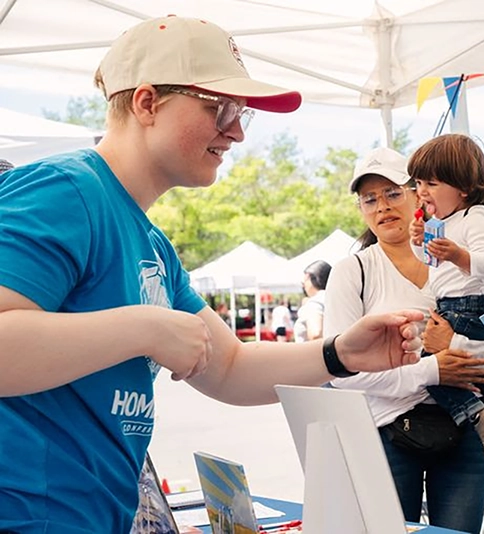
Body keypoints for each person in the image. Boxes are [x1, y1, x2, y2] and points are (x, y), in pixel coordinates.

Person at [0, 16, 424, 533]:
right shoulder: (66, 191)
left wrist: (339, 354)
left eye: (242, 112)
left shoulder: (151, 243)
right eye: (219, 107)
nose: (238, 131)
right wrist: (146, 329)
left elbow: (227, 367)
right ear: (147, 103)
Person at [324, 146, 484, 534]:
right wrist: (432, 369)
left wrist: (457, 346)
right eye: (369, 199)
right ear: (361, 210)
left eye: (393, 192)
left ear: (421, 193)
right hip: (387, 434)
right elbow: (341, 372)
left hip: (467, 430)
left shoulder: (461, 259)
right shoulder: (354, 272)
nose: (382, 206)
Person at [408, 133, 484, 461]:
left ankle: (476, 413)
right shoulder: (439, 222)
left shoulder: (475, 216)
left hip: (470, 307)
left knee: (432, 370)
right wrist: (419, 241)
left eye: (431, 183)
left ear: (464, 188)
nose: (422, 192)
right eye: (418, 183)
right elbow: (428, 263)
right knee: (476, 378)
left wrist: (459, 255)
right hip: (451, 306)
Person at [293, 260, 331, 342]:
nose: (304, 286)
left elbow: (316, 334)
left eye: (305, 281)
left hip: (312, 353)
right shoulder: (335, 297)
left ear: (311, 278)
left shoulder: (315, 302)